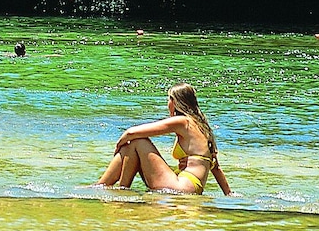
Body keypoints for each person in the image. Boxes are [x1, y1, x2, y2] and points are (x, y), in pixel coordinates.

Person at [94, 83, 232, 195]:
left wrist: (118, 146)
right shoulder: (203, 128)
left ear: (175, 102)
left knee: (137, 142)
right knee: (132, 145)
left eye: (169, 99)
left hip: (181, 187)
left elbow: (131, 132)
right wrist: (229, 194)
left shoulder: (183, 122)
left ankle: (118, 191)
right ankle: (110, 187)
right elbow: (216, 168)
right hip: (192, 186)